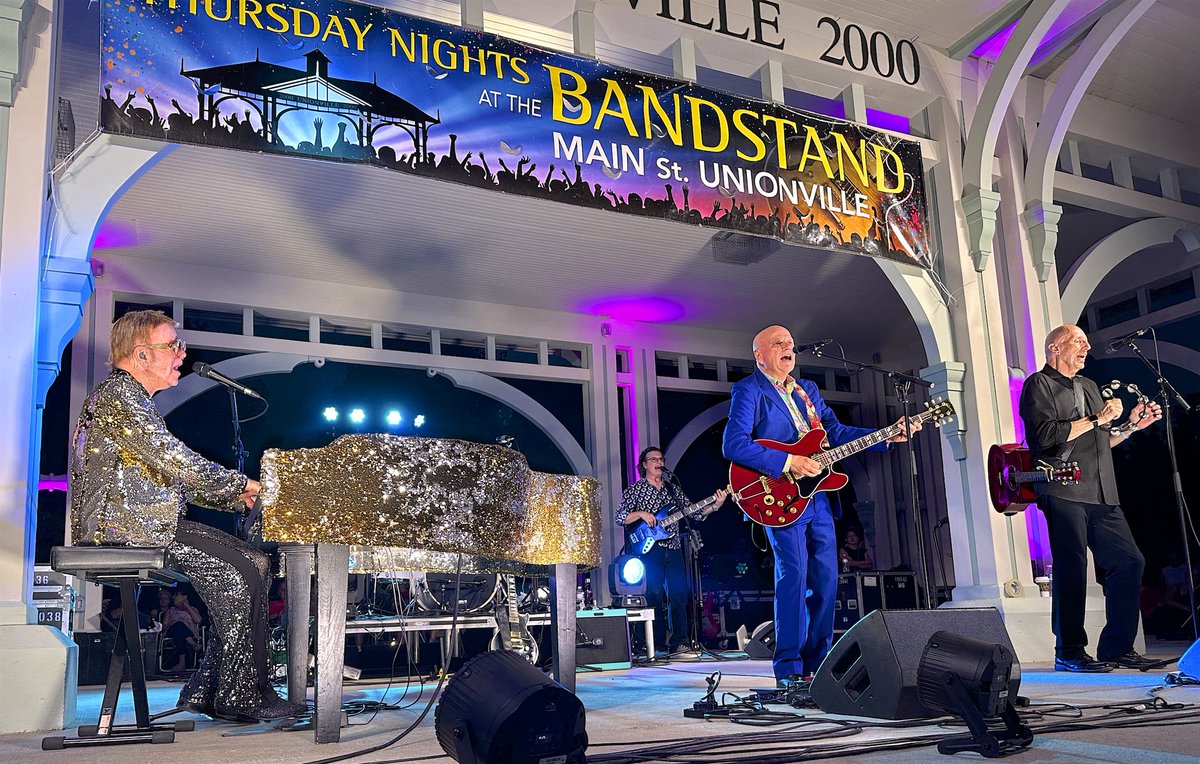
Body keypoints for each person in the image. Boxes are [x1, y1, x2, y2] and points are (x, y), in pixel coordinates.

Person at [70, 309, 305, 721]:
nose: (182, 353)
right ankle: (239, 692)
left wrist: (238, 498)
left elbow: (173, 477)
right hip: (127, 530)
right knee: (248, 564)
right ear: (142, 355)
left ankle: (214, 687)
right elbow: (175, 460)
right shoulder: (120, 396)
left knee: (249, 564)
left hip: (146, 525)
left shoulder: (131, 400)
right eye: (173, 345)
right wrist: (244, 486)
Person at [722, 325, 918, 685]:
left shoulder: (806, 390)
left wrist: (885, 434)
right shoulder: (749, 390)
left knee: (827, 578)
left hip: (818, 497)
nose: (788, 349)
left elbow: (836, 433)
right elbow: (734, 444)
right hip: (778, 493)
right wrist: (788, 463)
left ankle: (820, 661)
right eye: (778, 344)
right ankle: (789, 667)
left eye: (791, 345)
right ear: (759, 355)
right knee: (793, 576)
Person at [1018, 324, 1162, 672]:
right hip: (1062, 489)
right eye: (1077, 341)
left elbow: (1100, 442)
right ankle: (1068, 650)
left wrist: (1130, 426)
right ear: (1055, 346)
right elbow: (1047, 436)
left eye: (1085, 342)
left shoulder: (1090, 386)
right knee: (1072, 568)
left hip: (1101, 490)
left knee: (1129, 562)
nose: (1086, 347)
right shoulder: (1039, 383)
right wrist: (1097, 417)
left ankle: (1116, 648)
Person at [616, 446, 727, 655]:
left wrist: (715, 505)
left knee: (679, 595)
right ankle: (656, 644)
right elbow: (620, 517)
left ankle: (679, 642)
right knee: (654, 595)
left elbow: (694, 514)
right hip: (650, 550)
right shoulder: (635, 490)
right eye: (654, 459)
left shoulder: (672, 489)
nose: (659, 463)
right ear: (645, 465)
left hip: (674, 548)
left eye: (661, 459)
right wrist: (640, 513)